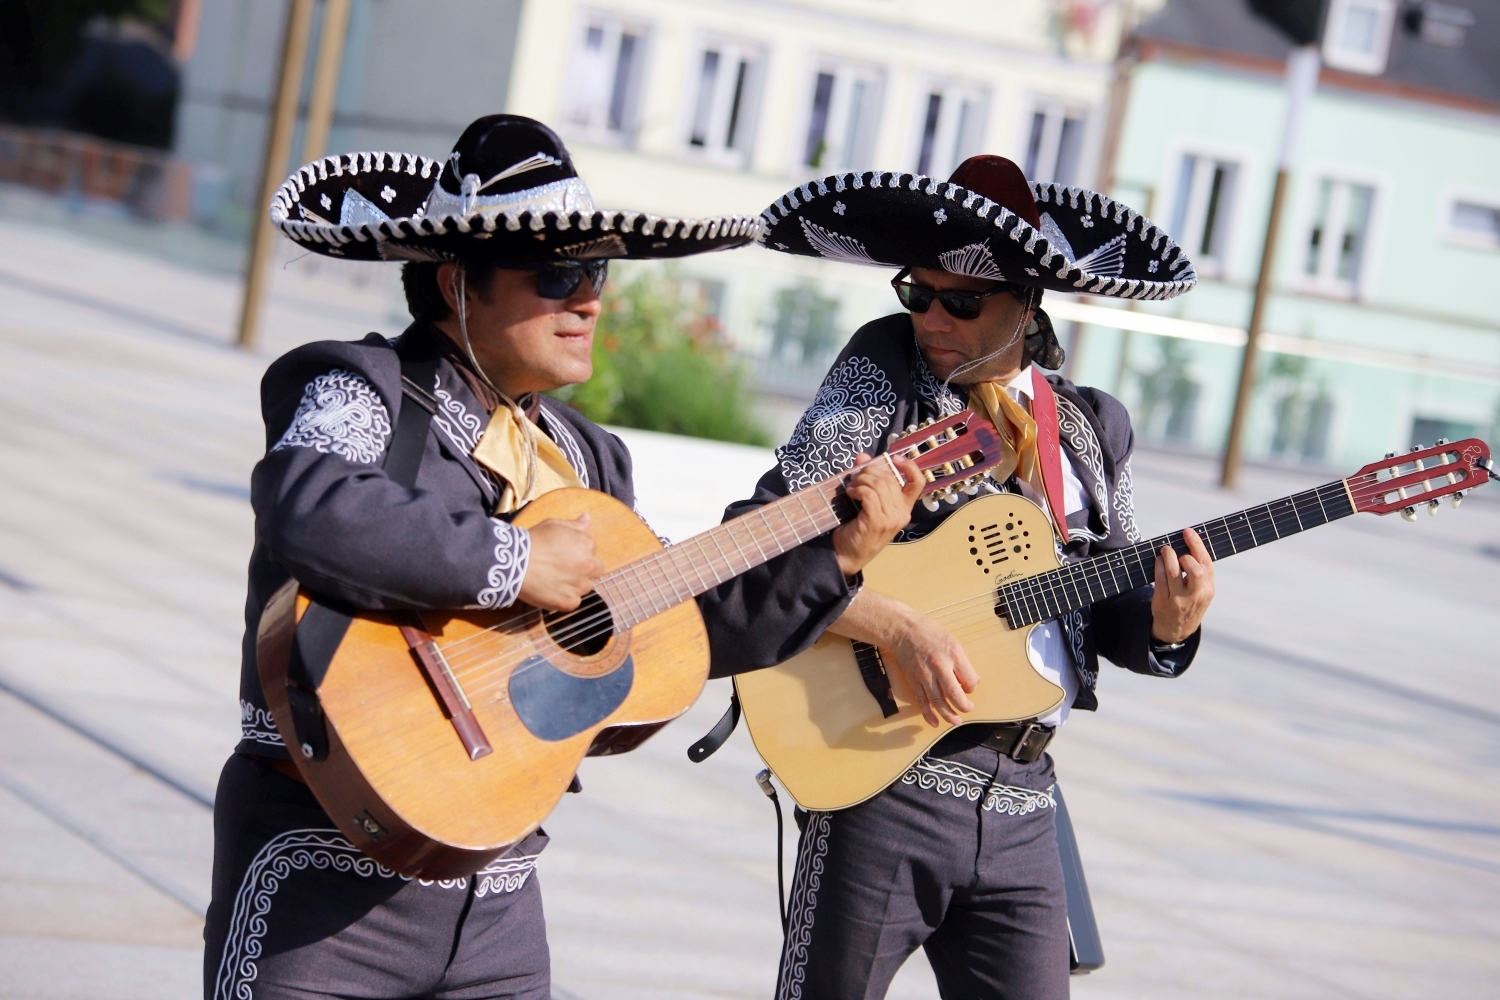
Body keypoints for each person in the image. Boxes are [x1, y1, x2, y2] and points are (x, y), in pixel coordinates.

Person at [204, 114, 920, 1000]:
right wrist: (512, 561)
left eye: (597, 271)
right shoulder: (364, 390)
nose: (589, 299)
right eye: (556, 274)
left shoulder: (588, 459)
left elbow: (668, 634)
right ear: (457, 282)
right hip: (318, 875)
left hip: (501, 898)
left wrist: (838, 558)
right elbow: (307, 505)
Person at [697, 155, 1216, 1000]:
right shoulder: (884, 373)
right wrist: (895, 627)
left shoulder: (1090, 426)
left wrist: (1170, 623)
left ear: (1025, 305)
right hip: (882, 779)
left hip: (1027, 797)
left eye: (962, 302)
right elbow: (760, 546)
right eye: (917, 293)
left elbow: (1114, 610)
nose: (931, 317)